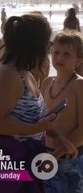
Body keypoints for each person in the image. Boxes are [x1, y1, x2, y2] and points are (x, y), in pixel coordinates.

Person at [0, 14, 75, 193]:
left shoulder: (25, 73)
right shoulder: (8, 75)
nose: (48, 48)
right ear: (35, 44)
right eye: (48, 43)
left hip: (23, 158)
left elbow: (32, 119)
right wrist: (37, 128)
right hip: (3, 160)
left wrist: (61, 139)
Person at [41, 31, 83, 193]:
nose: (59, 58)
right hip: (46, 153)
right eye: (56, 52)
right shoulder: (46, 83)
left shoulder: (79, 85)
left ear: (79, 60)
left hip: (70, 158)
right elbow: (41, 121)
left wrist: (57, 154)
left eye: (67, 54)